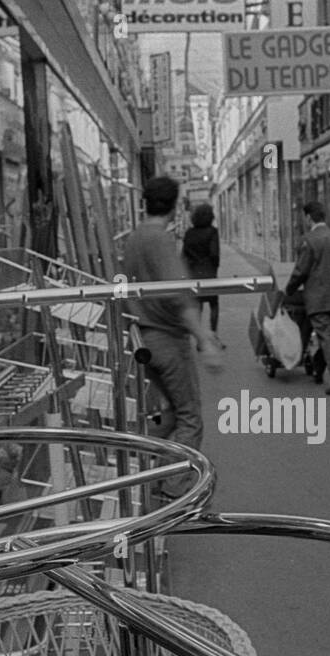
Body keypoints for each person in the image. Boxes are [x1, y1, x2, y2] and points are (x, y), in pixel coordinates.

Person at [122, 177, 223, 497]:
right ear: (176, 205)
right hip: (167, 338)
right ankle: (174, 490)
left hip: (143, 336)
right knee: (190, 417)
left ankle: (146, 475)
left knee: (168, 414)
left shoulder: (133, 238)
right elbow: (178, 295)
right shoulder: (160, 240)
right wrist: (205, 339)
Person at [284, 202, 330, 396]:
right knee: (328, 335)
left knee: (326, 337)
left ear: (308, 218)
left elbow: (301, 271)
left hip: (318, 299)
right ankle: (317, 367)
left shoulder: (309, 241)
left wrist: (289, 289)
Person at [183, 203, 223, 347]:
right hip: (209, 272)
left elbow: (185, 254)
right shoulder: (212, 232)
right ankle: (214, 336)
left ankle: (200, 340)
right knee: (214, 305)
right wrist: (214, 266)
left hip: (194, 273)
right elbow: (214, 254)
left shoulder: (189, 233)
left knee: (198, 306)